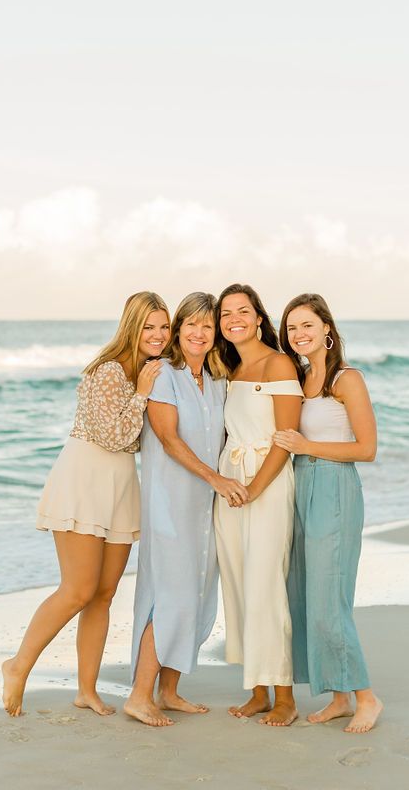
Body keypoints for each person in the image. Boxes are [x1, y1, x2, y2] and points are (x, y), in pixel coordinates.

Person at [1, 292, 170, 717]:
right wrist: (143, 393)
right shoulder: (110, 372)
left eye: (164, 327)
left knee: (104, 593)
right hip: (84, 479)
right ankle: (17, 665)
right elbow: (115, 437)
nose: (158, 335)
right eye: (148, 326)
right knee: (77, 589)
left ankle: (86, 690)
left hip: (120, 484)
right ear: (131, 327)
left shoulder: (150, 372)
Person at [125, 293, 247, 727]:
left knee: (195, 591)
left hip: (205, 508)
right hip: (169, 502)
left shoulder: (216, 380)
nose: (199, 333)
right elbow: (170, 440)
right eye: (191, 325)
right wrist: (217, 479)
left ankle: (169, 691)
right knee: (170, 596)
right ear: (179, 330)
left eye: (207, 326)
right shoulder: (162, 374)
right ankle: (140, 695)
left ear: (215, 336)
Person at [275, 292, 383, 733]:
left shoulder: (347, 379)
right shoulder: (300, 381)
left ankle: (366, 697)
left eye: (307, 325)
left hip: (334, 488)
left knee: (329, 599)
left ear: (327, 330)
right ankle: (338, 696)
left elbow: (367, 448)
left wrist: (307, 447)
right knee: (305, 595)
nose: (299, 334)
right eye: (292, 327)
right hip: (300, 486)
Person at [214, 283, 303, 727]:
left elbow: (285, 440)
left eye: (242, 311)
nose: (234, 319)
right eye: (226, 313)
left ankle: (285, 696)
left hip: (265, 483)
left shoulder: (278, 362)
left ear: (259, 317)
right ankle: (257, 690)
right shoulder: (227, 369)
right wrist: (228, 485)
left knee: (267, 584)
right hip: (229, 484)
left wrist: (255, 488)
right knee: (238, 582)